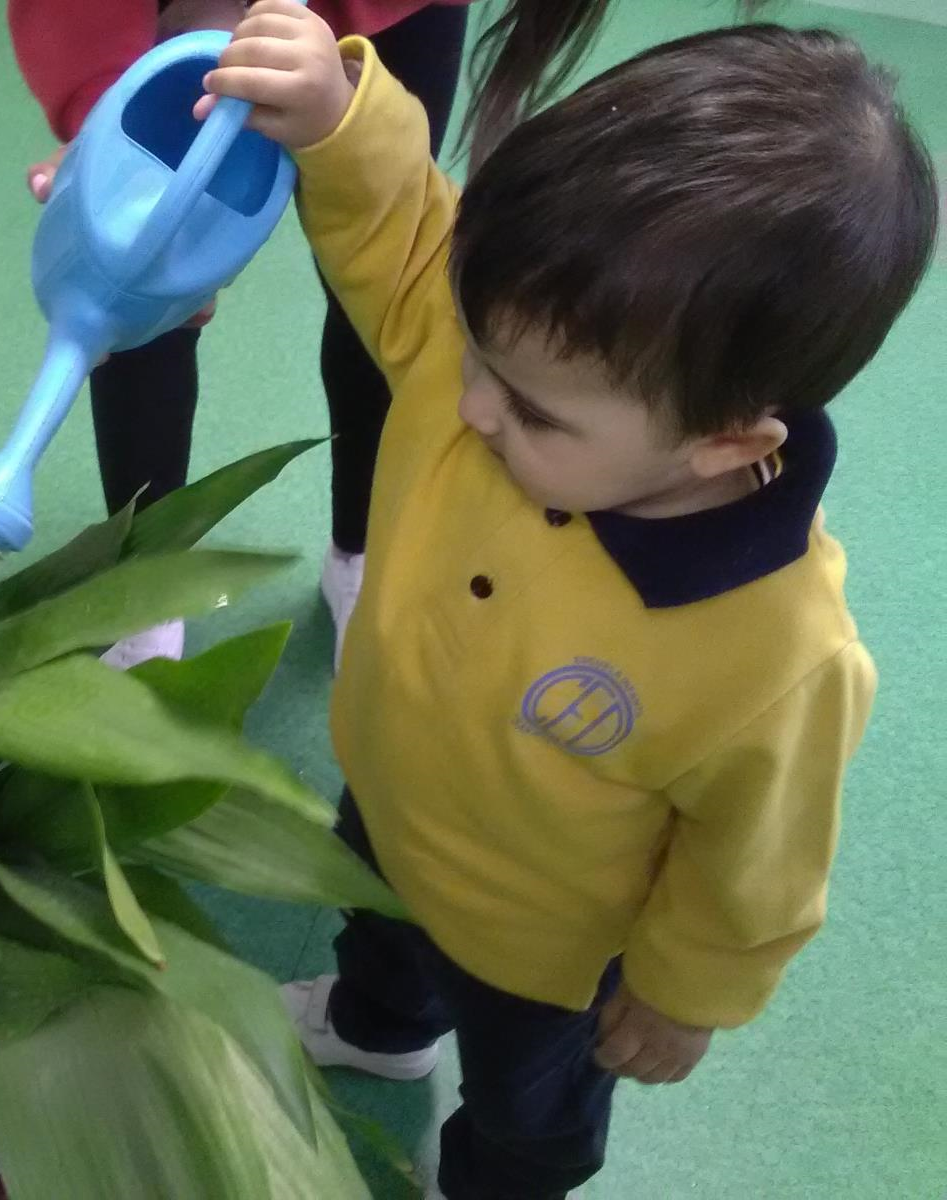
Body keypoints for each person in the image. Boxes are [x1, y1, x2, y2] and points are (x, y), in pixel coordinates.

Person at [196, 3, 937, 1196]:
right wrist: (343, 118)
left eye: (533, 410)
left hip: (544, 954)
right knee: (377, 935)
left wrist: (686, 994)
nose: (468, 402)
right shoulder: (497, 360)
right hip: (389, 803)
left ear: (720, 443)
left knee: (525, 1110)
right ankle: (378, 1028)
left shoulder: (776, 652)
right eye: (476, 354)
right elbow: (405, 240)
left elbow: (753, 861)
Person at [8, 0, 623, 670]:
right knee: (140, 272)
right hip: (141, 14)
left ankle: (358, 553)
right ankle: (150, 587)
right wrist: (108, 103)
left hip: (390, 15)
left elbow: (390, 235)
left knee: (375, 284)